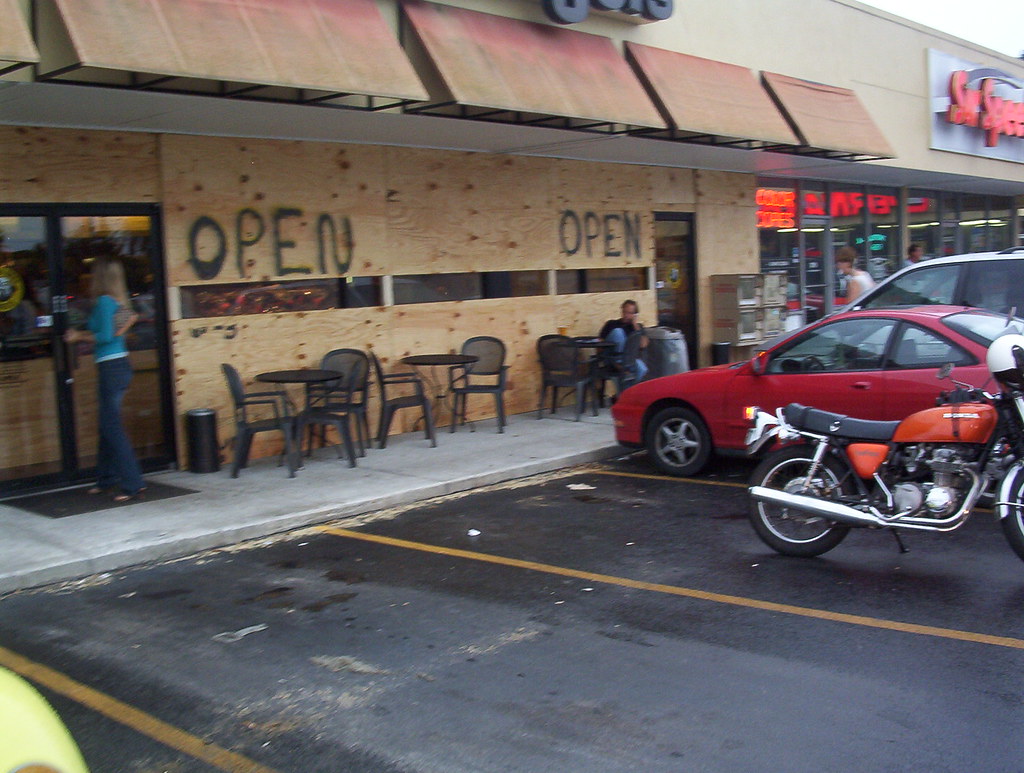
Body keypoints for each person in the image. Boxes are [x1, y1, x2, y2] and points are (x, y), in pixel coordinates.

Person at [64, 257, 144, 502]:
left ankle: (133, 483)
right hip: (117, 366)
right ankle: (106, 479)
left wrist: (78, 336)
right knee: (107, 425)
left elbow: (106, 336)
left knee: (111, 426)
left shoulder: (104, 302)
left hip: (112, 367)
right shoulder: (116, 301)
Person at [599, 299, 648, 381]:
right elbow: (599, 343)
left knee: (643, 369)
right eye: (624, 312)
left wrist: (635, 325)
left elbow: (643, 345)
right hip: (611, 358)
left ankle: (630, 392)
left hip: (629, 360)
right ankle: (619, 362)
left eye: (629, 313)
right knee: (618, 332)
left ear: (635, 314)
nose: (626, 315)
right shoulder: (611, 324)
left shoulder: (638, 327)